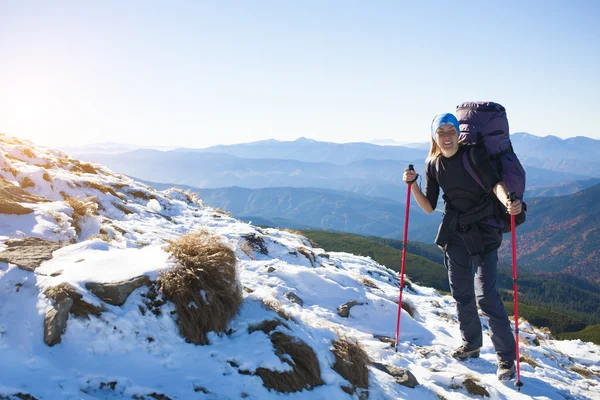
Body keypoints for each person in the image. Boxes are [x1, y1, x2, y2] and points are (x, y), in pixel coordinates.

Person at [403, 113, 522, 381]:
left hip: (484, 231)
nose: (446, 137)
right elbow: (429, 207)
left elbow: (495, 184)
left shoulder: (474, 155)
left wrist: (506, 203)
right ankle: (472, 344)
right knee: (461, 293)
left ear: (458, 133)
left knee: (486, 297)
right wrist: (413, 186)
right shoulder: (432, 165)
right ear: (434, 136)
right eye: (441, 132)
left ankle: (506, 360)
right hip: (455, 232)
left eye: (450, 131)